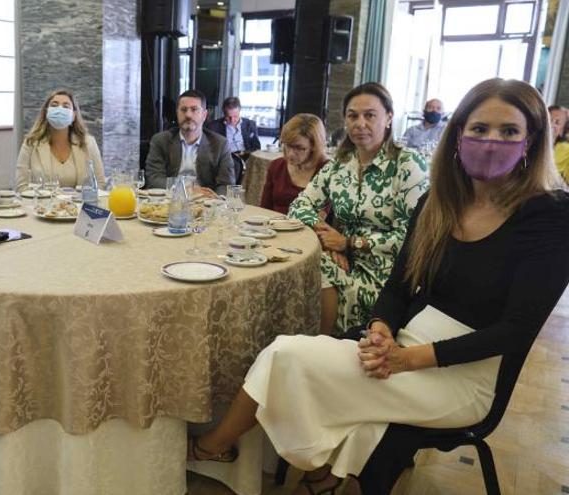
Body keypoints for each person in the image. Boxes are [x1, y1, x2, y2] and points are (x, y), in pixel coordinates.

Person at [190, 78, 569, 495]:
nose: (492, 141)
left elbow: (516, 330)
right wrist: (382, 328)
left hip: (467, 375)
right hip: (406, 341)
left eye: (509, 131)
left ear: (532, 141)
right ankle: (319, 479)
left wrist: (410, 359)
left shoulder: (550, 214)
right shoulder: (440, 201)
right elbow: (401, 283)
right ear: (459, 134)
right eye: (480, 129)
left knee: (285, 354)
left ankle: (212, 448)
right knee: (303, 365)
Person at [289, 82, 428, 335]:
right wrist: (329, 240)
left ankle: (325, 345)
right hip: (340, 258)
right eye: (352, 116)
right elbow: (299, 205)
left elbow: (412, 239)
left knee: (314, 268)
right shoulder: (340, 164)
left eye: (370, 115)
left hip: (388, 272)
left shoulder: (407, 164)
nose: (359, 123)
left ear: (388, 118)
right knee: (299, 262)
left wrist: (350, 243)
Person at [145, 89, 235, 195]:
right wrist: (188, 190)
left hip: (205, 205)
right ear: (177, 113)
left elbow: (226, 185)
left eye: (194, 109)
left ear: (204, 115)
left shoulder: (220, 144)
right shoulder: (160, 140)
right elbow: (154, 179)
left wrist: (215, 202)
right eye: (183, 110)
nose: (188, 115)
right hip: (169, 202)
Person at [15, 90, 105, 191]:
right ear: (46, 112)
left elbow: (100, 184)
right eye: (54, 105)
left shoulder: (89, 143)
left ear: (74, 115)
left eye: (66, 106)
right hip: (42, 205)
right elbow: (21, 187)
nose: (59, 109)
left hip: (79, 205)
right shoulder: (30, 143)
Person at [259, 114, 329, 214]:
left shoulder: (327, 170)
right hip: (273, 226)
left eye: (299, 148)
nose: (290, 154)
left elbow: (322, 217)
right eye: (287, 145)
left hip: (310, 228)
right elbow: (264, 209)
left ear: (314, 146)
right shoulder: (277, 166)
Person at [205, 97, 262, 184]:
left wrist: (243, 153)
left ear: (240, 112)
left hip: (246, 156)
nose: (232, 120)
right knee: (234, 166)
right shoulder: (213, 126)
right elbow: (210, 149)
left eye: (235, 116)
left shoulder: (250, 125)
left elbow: (257, 147)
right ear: (223, 113)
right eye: (229, 117)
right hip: (226, 158)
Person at [548, 105, 569, 183]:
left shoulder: (566, 150)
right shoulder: (526, 141)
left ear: (561, 131)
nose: (551, 125)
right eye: (548, 119)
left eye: (557, 122)